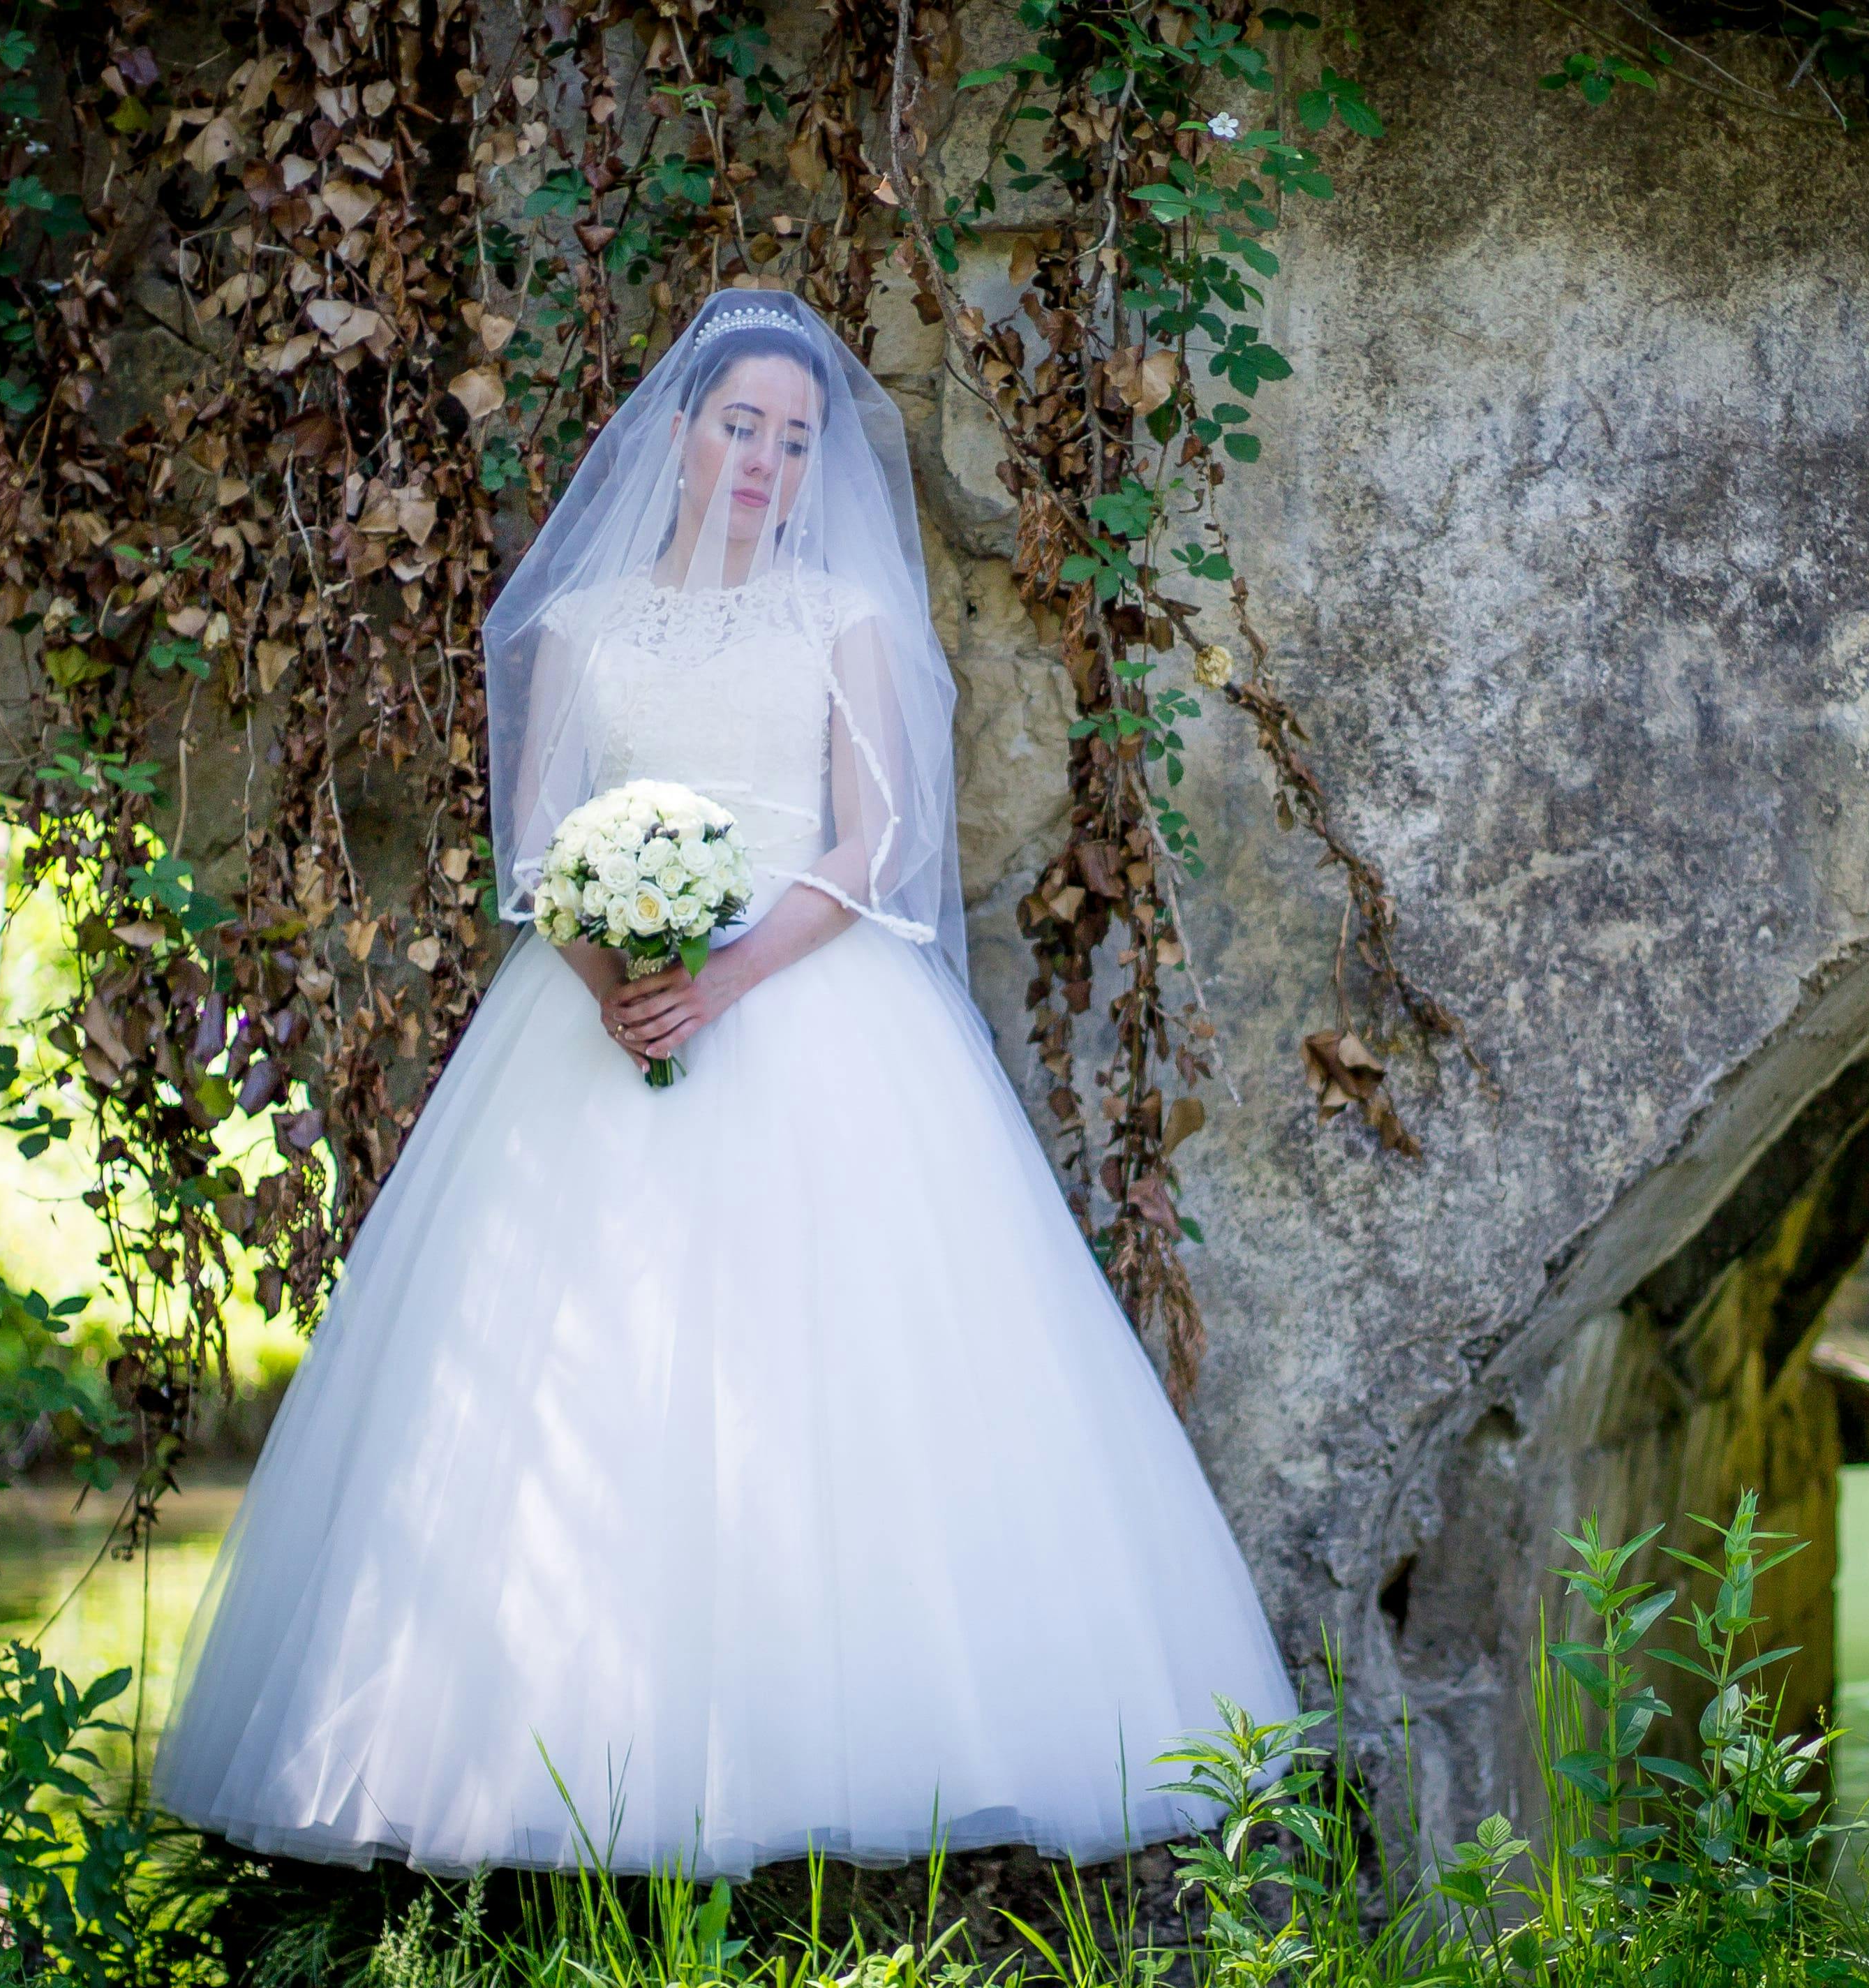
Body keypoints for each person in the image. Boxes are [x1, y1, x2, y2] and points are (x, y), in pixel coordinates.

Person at [151, 289, 1297, 1877]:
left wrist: (729, 975)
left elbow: (871, 841)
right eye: (740, 424)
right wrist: (621, 978)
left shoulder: (845, 617)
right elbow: (544, 846)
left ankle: (846, 1743)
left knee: (837, 1371)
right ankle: (547, 1744)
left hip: (811, 995)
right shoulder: (582, 627)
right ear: (680, 432)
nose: (765, 456)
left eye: (795, 435)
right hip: (596, 1019)